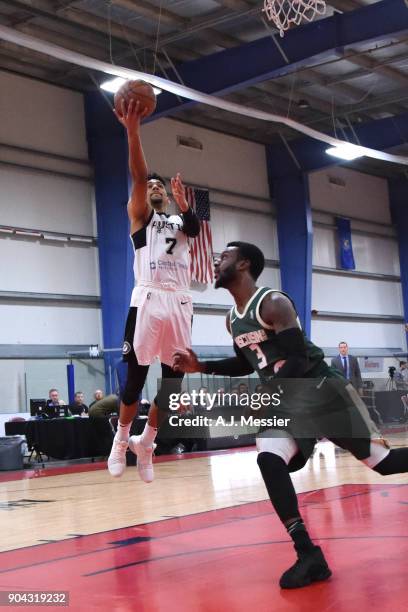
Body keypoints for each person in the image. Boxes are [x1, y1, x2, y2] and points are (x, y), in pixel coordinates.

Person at [173, 241, 408, 589]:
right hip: (287, 399)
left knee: (383, 463)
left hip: (320, 390)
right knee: (268, 458)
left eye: (224, 256)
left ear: (244, 265)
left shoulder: (273, 302)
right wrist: (201, 365)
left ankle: (309, 554)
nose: (216, 261)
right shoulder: (231, 320)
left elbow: (297, 360)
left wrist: (265, 394)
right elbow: (245, 362)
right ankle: (307, 553)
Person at [107, 98, 200, 483]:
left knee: (173, 384)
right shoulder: (141, 218)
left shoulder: (180, 223)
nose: (154, 187)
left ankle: (148, 442)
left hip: (178, 300)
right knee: (134, 380)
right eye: (150, 186)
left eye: (159, 185)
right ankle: (121, 439)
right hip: (147, 298)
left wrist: (182, 202)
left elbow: (194, 226)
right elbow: (138, 172)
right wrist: (133, 131)